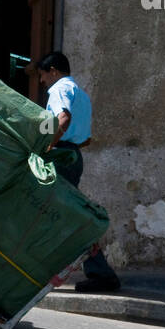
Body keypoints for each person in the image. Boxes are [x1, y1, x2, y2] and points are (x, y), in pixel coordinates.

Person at [36, 51, 120, 293]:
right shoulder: (81, 94)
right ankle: (100, 272)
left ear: (53, 71)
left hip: (61, 156)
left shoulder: (59, 88)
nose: (42, 82)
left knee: (48, 212)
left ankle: (98, 273)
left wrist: (47, 147)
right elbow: (85, 139)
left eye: (43, 76)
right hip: (73, 155)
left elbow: (62, 118)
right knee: (68, 215)